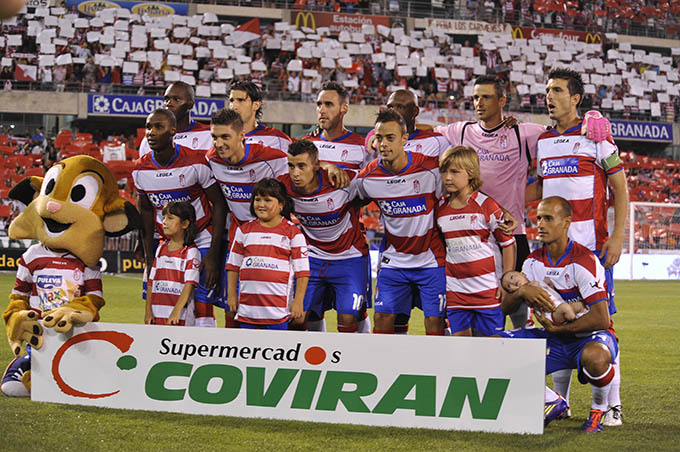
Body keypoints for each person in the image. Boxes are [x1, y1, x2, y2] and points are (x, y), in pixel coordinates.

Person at [432, 76, 612, 327]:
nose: (479, 102)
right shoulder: (460, 131)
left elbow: (563, 137)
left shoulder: (524, 132)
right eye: (475, 97)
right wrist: (379, 133)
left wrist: (594, 117)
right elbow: (426, 133)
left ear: (502, 100)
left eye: (486, 97)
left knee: (517, 299)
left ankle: (521, 345)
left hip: (510, 231)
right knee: (472, 303)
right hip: (472, 233)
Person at [530, 68, 629, 426]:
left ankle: (612, 404)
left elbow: (620, 188)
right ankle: (562, 402)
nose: (549, 96)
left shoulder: (596, 137)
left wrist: (617, 236)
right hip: (555, 253)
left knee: (600, 326)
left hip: (592, 252)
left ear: (575, 99)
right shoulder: (541, 140)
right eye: (546, 90)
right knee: (556, 318)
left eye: (557, 90)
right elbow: (541, 193)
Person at [499, 196, 619, 433]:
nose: (540, 224)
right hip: (551, 337)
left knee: (596, 358)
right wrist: (521, 290)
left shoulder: (585, 260)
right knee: (496, 347)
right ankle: (552, 400)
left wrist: (559, 329)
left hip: (587, 337)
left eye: (548, 218)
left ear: (566, 223)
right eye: (538, 218)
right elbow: (506, 308)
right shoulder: (532, 262)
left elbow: (601, 319)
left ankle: (599, 410)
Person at [133, 108, 227, 328]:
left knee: (202, 303)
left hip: (201, 237)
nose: (151, 132)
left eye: (159, 127)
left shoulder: (196, 162)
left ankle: (206, 351)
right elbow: (146, 214)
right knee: (161, 300)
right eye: (148, 127)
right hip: (166, 241)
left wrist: (213, 253)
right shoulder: (140, 169)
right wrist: (148, 258)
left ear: (173, 130)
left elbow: (220, 204)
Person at [357, 109, 446, 335]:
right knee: (382, 319)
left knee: (434, 324)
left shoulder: (431, 170)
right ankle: (382, 368)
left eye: (390, 137)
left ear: (405, 139)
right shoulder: (369, 177)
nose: (383, 144)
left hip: (430, 259)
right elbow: (344, 198)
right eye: (379, 138)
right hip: (394, 260)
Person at [280, 140, 370, 333]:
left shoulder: (342, 181)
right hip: (312, 258)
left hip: (348, 257)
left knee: (347, 316)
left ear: (316, 166)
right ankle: (310, 362)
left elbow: (372, 186)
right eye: (291, 166)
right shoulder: (283, 187)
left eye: (302, 166)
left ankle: (353, 360)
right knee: (296, 318)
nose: (295, 173)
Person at [436, 146, 516, 336]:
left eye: (455, 172)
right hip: (456, 293)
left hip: (488, 291)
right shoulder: (440, 208)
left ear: (471, 173)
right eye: (444, 171)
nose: (447, 177)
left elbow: (508, 244)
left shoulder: (486, 205)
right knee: (461, 351)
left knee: (490, 350)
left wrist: (505, 281)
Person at [226, 178, 309, 330]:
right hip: (247, 309)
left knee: (276, 350)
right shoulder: (244, 230)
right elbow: (232, 267)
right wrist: (231, 295)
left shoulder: (293, 233)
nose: (261, 205)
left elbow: (302, 272)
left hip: (277, 312)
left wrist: (298, 301)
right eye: (257, 199)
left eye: (267, 200)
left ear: (281, 205)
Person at [145, 201, 201, 326]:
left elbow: (189, 284)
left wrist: (176, 311)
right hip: (156, 315)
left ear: (185, 224)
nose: (164, 222)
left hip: (179, 317)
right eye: (163, 218)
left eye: (170, 218)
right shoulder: (161, 248)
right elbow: (151, 282)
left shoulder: (191, 252)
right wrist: (148, 311)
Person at [138, 82, 212, 158]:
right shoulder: (150, 140)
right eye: (166, 99)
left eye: (176, 99)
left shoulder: (209, 135)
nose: (169, 103)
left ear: (190, 105)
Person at [228, 80, 293, 152]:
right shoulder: (215, 137)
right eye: (231, 101)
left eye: (240, 100)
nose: (234, 106)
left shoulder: (278, 140)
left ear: (256, 105)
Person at [501, 270, 586, 325]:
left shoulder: (539, 282)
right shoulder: (526, 296)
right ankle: (573, 322)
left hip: (561, 305)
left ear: (522, 273)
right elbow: (530, 301)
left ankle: (578, 319)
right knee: (566, 308)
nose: (512, 282)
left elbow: (550, 289)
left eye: (512, 277)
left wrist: (548, 283)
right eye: (509, 286)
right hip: (552, 315)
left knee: (579, 305)